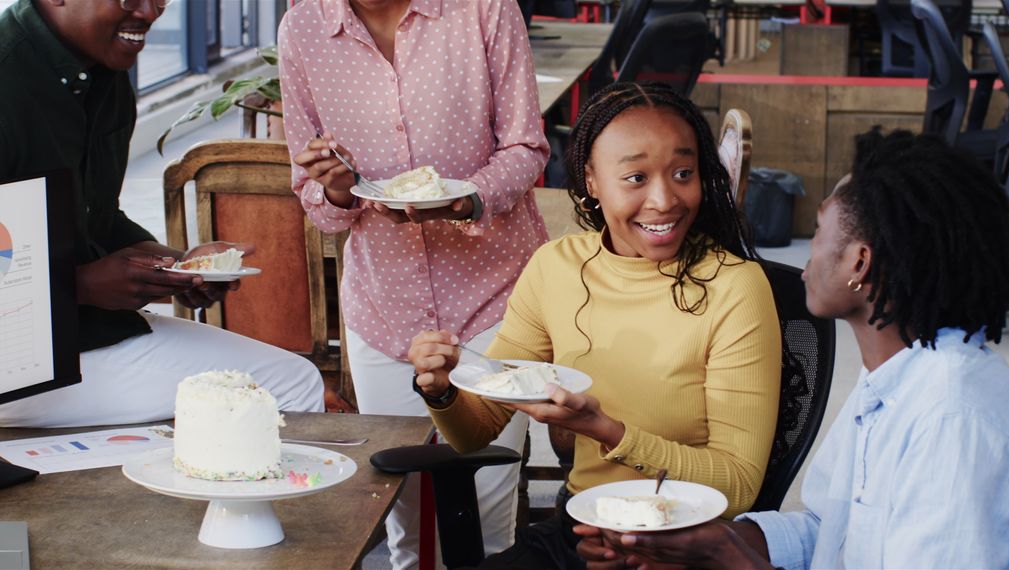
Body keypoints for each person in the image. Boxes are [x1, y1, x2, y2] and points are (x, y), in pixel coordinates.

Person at [577, 128, 1009, 569]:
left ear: (859, 263)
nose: (807, 253)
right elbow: (829, 531)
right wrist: (704, 539)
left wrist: (733, 562)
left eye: (817, 233)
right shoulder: (897, 377)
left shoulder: (952, 422)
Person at [408, 81, 783, 569]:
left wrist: (607, 431)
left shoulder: (736, 287)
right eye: (635, 178)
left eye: (683, 172)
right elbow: (477, 430)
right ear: (592, 181)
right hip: (580, 530)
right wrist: (442, 390)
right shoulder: (555, 267)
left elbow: (736, 485)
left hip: (682, 546)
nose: (664, 199)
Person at [278, 0, 550, 566]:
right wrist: (335, 187)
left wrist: (465, 197)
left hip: (497, 298)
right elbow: (318, 201)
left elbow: (526, 148)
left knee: (486, 513)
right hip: (384, 309)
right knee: (402, 515)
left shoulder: (484, 10)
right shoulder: (303, 28)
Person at [0, 0, 325, 428]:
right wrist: (78, 286)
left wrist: (178, 265)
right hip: (20, 357)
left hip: (76, 331)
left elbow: (94, 212)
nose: (151, 12)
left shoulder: (104, 76)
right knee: (290, 385)